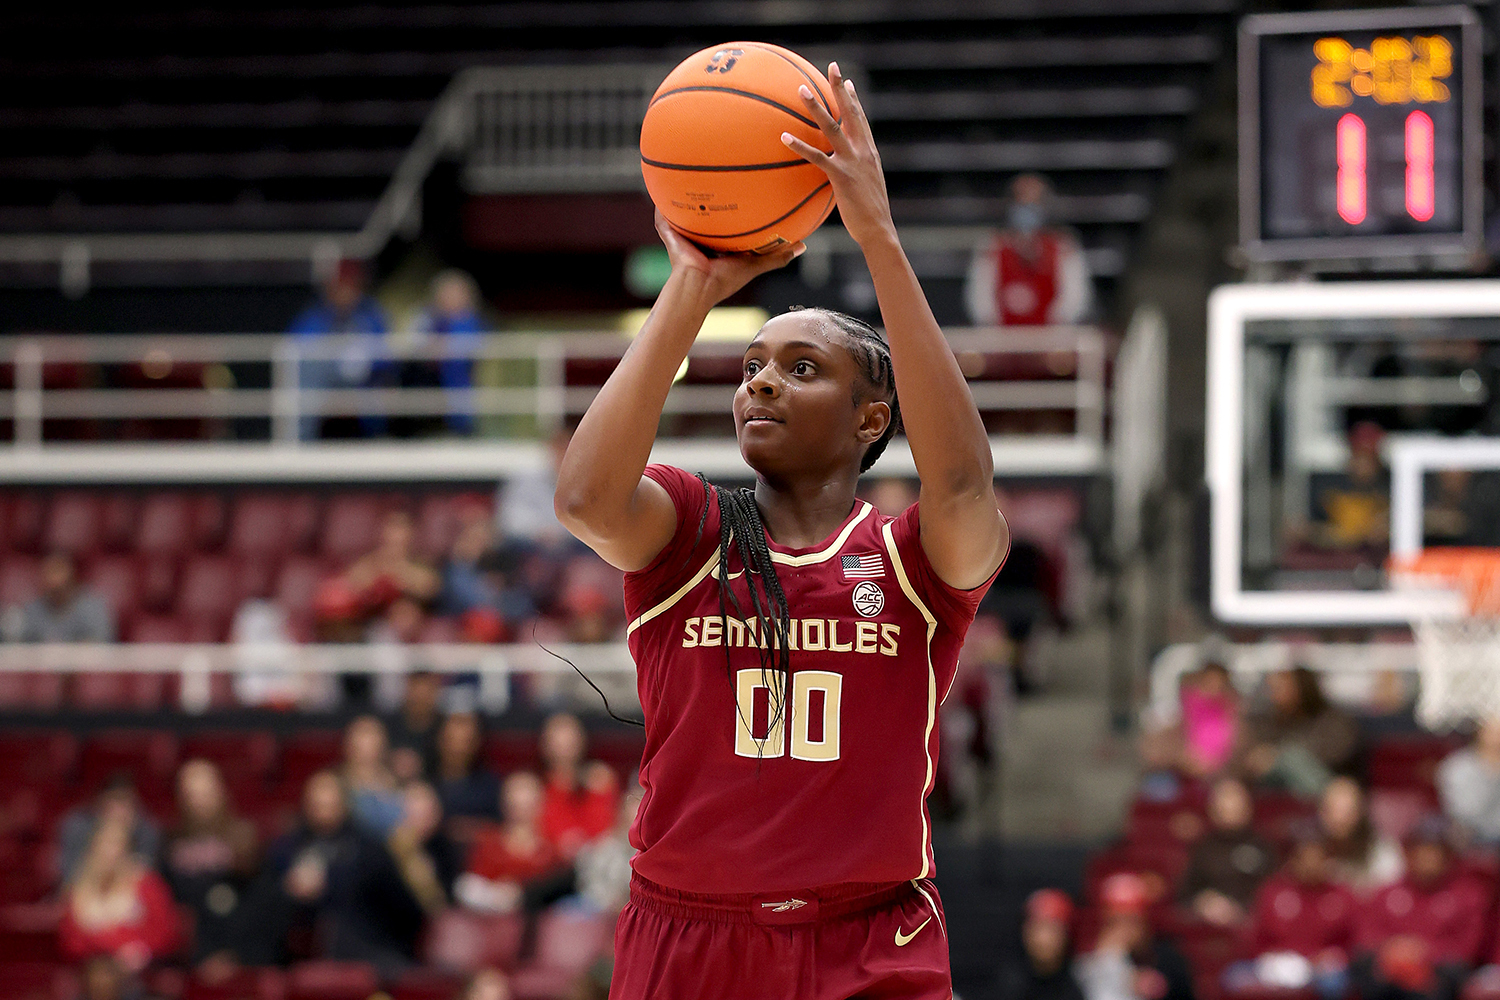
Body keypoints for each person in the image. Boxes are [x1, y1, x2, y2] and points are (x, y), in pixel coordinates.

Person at [553, 63, 1008, 1000]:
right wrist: (692, 287)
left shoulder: (913, 559)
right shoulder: (692, 528)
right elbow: (588, 500)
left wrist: (877, 234)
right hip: (689, 937)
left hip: (872, 937)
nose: (760, 381)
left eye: (802, 369)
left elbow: (962, 478)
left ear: (871, 419)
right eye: (753, 365)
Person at [244, 769, 426, 975]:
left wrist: (329, 883)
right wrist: (288, 888)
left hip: (364, 948)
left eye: (330, 806)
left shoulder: (369, 849)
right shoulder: (286, 849)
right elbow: (262, 897)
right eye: (317, 806)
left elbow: (401, 907)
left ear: (345, 805)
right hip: (293, 951)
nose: (323, 813)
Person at [1352, 815, 1489, 1000]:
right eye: (1422, 850)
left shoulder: (1468, 895)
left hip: (1436, 977)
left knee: (1448, 975)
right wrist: (1394, 950)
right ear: (1409, 853)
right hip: (1389, 971)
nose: (1427, 858)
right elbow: (1366, 935)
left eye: (1435, 851)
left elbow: (1468, 948)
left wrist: (1423, 952)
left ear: (1448, 855)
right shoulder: (1387, 892)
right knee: (1365, 967)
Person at [1228, 821, 1356, 999]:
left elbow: (1352, 943)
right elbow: (1257, 939)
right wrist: (1270, 959)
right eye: (1305, 858)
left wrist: (1334, 957)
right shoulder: (1273, 891)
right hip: (1279, 964)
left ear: (1328, 860)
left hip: (1320, 969)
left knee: (1334, 982)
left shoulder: (1341, 894)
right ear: (1293, 860)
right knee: (1233, 976)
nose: (1311, 864)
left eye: (1317, 858)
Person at [160, 759, 258, 966]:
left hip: (239, 956)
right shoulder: (169, 842)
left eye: (205, 793)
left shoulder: (244, 839)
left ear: (221, 792)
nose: (199, 801)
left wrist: (234, 955)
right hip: (188, 959)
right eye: (191, 795)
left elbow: (258, 904)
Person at [964, 173, 1093, 327]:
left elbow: (1074, 302)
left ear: (1044, 206)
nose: (1027, 209)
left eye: (1033, 203)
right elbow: (981, 304)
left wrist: (1053, 330)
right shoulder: (991, 248)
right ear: (1011, 205)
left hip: (1052, 340)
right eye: (1022, 202)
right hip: (1001, 341)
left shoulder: (1064, 247)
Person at [59, 817, 182, 970]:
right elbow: (71, 940)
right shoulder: (77, 889)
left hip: (144, 971)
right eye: (103, 843)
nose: (110, 852)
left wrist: (142, 949)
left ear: (127, 848)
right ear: (92, 847)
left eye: (117, 844)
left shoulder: (147, 884)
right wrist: (109, 948)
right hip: (92, 971)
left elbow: (166, 932)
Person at [288, 258, 391, 440]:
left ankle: (376, 441)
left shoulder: (371, 315)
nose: (345, 293)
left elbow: (386, 356)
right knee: (308, 380)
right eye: (339, 287)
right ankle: (302, 444)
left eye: (350, 287)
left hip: (363, 384)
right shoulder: (314, 316)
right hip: (324, 386)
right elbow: (298, 350)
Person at [1239, 666, 1359, 797]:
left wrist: (1277, 755)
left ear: (1300, 689)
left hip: (1330, 783)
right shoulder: (1271, 720)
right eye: (1272, 690)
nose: (1273, 696)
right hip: (1280, 785)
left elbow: (1337, 754)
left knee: (1291, 758)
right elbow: (1256, 757)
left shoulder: (1333, 719)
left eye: (1280, 689)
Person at [1075, 873, 1195, 1000]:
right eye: (1116, 922)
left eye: (1131, 921)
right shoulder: (1087, 964)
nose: (1124, 931)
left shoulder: (1169, 960)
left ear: (1145, 923)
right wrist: (1109, 961)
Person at [1178, 777, 1277, 927]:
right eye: (1223, 800)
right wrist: (1202, 902)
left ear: (1248, 807)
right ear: (1212, 809)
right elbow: (1184, 894)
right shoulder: (1202, 848)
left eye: (1235, 799)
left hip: (1252, 925)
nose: (1229, 806)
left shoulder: (1264, 847)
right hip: (1208, 928)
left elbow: (1276, 893)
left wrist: (1242, 910)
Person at [456, 771, 560, 914]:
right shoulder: (487, 843)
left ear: (541, 804)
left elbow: (556, 895)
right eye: (516, 802)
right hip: (490, 923)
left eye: (528, 803)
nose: (521, 804)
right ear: (504, 803)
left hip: (537, 925)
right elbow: (468, 887)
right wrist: (495, 897)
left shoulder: (552, 850)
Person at [405, 269, 486, 436]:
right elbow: (412, 343)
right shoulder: (425, 316)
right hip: (427, 376)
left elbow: (469, 348)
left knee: (455, 371)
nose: (450, 299)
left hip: (458, 380)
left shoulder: (471, 322)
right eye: (446, 294)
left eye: (455, 294)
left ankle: (460, 426)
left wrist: (442, 347)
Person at [537, 712, 619, 859]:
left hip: (596, 860)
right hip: (551, 865)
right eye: (557, 742)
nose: (563, 750)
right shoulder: (538, 790)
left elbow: (608, 827)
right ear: (544, 745)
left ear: (581, 742)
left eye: (569, 742)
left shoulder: (599, 782)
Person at [58, 777, 161, 885]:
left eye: (125, 803)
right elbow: (70, 880)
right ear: (101, 804)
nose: (120, 811)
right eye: (115, 802)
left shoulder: (147, 833)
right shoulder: (77, 828)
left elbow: (147, 879)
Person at [1317, 776, 1404, 894]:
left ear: (1360, 813)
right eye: (1332, 810)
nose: (1339, 819)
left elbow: (1391, 898)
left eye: (1347, 812)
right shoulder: (1308, 852)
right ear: (1321, 813)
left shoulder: (1383, 852)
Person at [387, 781, 462, 914]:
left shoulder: (444, 847)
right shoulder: (387, 852)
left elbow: (450, 896)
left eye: (428, 815)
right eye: (416, 815)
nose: (424, 823)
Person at [998, 889, 1085, 1000]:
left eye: (1053, 929)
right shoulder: (1007, 985)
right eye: (1037, 928)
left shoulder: (1082, 983)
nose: (1043, 938)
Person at [12, 550, 114, 642]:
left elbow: (100, 647)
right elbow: (21, 647)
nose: (53, 579)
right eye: (48, 572)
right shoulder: (32, 610)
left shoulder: (92, 608)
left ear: (72, 574)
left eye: (57, 570)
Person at [432, 709, 501, 829]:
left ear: (477, 743)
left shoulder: (491, 790)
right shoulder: (425, 785)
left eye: (466, 742)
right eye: (451, 740)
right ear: (439, 740)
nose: (458, 749)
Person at [1436, 717, 1500, 845]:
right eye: (1494, 731)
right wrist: (1493, 774)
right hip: (1474, 839)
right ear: (1479, 731)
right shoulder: (1456, 767)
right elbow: (1464, 814)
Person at [340, 714, 404, 837]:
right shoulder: (335, 784)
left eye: (372, 736)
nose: (366, 744)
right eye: (361, 736)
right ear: (348, 745)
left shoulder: (398, 782)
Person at [389, 669, 445, 783]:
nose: (420, 698)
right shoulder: (390, 725)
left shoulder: (444, 727)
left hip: (436, 785)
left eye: (426, 692)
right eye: (417, 692)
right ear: (407, 690)